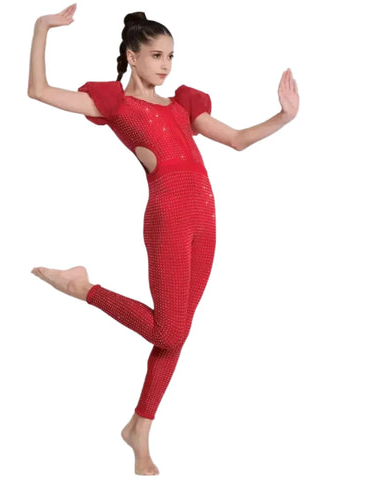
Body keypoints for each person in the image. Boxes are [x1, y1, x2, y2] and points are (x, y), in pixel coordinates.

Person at [27, 4, 299, 475]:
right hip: (168, 218)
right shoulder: (115, 103)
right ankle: (81, 287)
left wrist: (283, 116)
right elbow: (39, 90)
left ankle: (140, 427)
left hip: (206, 220)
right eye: (156, 55)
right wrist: (41, 28)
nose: (166, 65)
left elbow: (237, 139)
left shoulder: (182, 106)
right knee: (169, 331)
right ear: (132, 57)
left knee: (176, 336)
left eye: (171, 56)